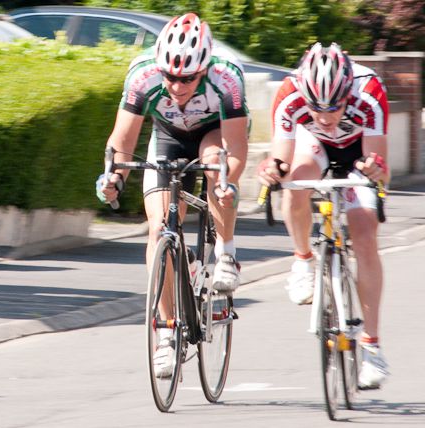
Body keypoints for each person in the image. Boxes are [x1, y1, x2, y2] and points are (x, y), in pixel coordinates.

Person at [96, 13, 249, 376]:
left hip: (213, 134)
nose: (177, 86)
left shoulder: (227, 78)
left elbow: (238, 149)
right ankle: (166, 334)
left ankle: (226, 253)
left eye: (187, 79)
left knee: (216, 166)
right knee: (159, 229)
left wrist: (227, 184)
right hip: (167, 137)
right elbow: (123, 139)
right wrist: (113, 177)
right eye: (170, 77)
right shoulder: (143, 75)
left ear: (204, 69)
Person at [258, 42, 390, 389]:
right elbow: (282, 160)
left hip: (359, 152)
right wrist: (272, 169)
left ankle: (372, 348)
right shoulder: (290, 95)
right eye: (316, 107)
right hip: (314, 147)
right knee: (297, 184)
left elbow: (379, 163)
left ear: (349, 93)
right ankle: (302, 259)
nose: (326, 116)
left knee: (364, 234)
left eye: (335, 106)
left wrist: (373, 171)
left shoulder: (371, 92)